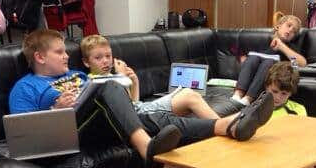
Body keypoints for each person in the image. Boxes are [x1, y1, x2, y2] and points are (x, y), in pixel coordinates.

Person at [9, 30, 275, 156]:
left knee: (160, 121)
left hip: (100, 123)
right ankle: (146, 147)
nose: (67, 56)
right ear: (40, 57)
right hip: (71, 131)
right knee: (108, 85)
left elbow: (121, 104)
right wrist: (57, 111)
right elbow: (25, 135)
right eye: (59, 52)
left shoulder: (76, 76)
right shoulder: (24, 87)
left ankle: (228, 127)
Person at [80, 34, 219, 119]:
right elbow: (128, 111)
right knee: (190, 96)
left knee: (188, 94)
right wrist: (121, 77)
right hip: (139, 115)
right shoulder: (93, 83)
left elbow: (133, 103)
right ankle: (223, 126)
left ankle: (223, 126)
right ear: (86, 62)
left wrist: (135, 82)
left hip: (140, 109)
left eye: (108, 56)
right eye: (98, 58)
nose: (105, 61)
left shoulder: (112, 76)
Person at [232, 14, 306, 106]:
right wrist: (243, 59)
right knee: (253, 58)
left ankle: (248, 99)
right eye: (288, 25)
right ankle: (237, 95)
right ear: (278, 26)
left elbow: (299, 64)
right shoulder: (261, 40)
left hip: (271, 82)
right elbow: (234, 48)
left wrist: (282, 47)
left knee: (269, 62)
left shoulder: (290, 48)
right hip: (250, 76)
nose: (290, 30)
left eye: (294, 31)